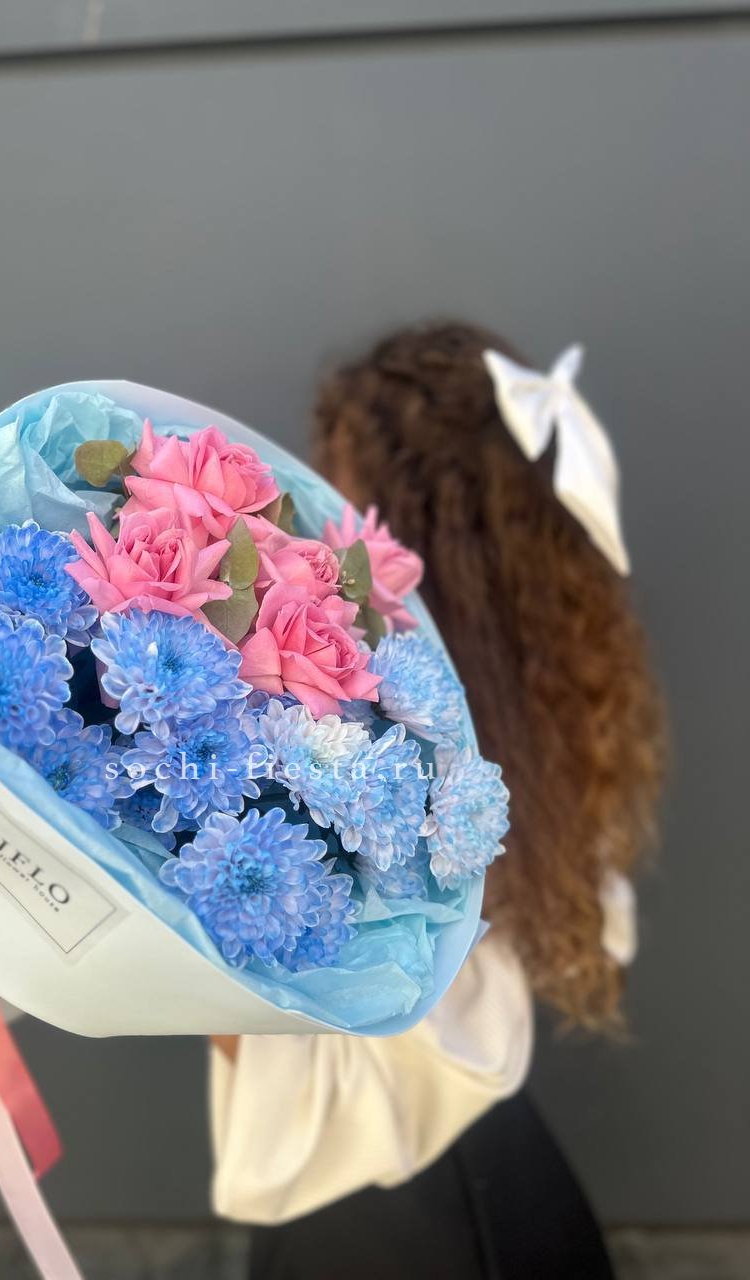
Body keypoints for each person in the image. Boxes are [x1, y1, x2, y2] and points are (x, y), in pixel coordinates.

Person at [208, 321, 667, 1279]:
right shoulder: (552, 699)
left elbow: (300, 1073)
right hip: (498, 1176)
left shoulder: (369, 732)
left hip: (377, 1211)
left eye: (334, 482)